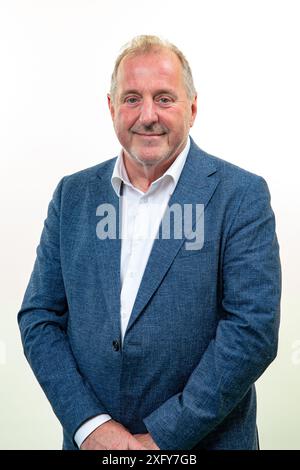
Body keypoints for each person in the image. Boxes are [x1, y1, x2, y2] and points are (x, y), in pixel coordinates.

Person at [18, 35, 281, 450]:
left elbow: (253, 331)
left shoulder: (240, 195)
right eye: (131, 99)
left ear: (192, 108)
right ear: (111, 108)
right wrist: (90, 426)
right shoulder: (73, 195)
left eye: (164, 98)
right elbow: (39, 317)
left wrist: (161, 438)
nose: (147, 115)